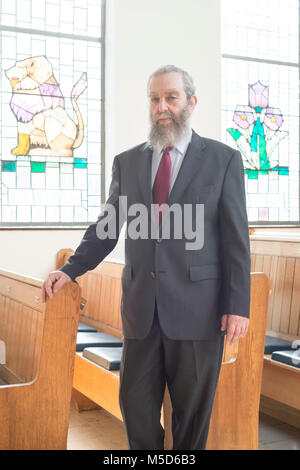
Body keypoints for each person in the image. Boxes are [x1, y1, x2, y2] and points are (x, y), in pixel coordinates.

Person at [41, 65, 251, 450]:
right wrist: (70, 270)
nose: (162, 107)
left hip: (198, 313)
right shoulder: (129, 162)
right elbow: (107, 227)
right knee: (135, 410)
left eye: (171, 97)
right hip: (141, 312)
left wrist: (238, 305)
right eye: (154, 99)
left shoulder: (223, 160)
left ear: (191, 101)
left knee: (190, 421)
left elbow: (235, 241)